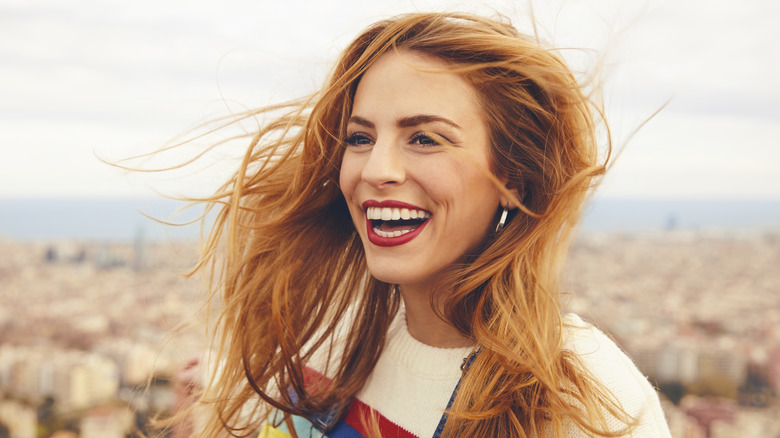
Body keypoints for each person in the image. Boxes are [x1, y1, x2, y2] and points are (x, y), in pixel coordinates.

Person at [183, 12, 672, 438]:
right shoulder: (325, 339)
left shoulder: (580, 395)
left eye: (425, 139)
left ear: (512, 178)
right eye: (360, 138)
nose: (376, 170)